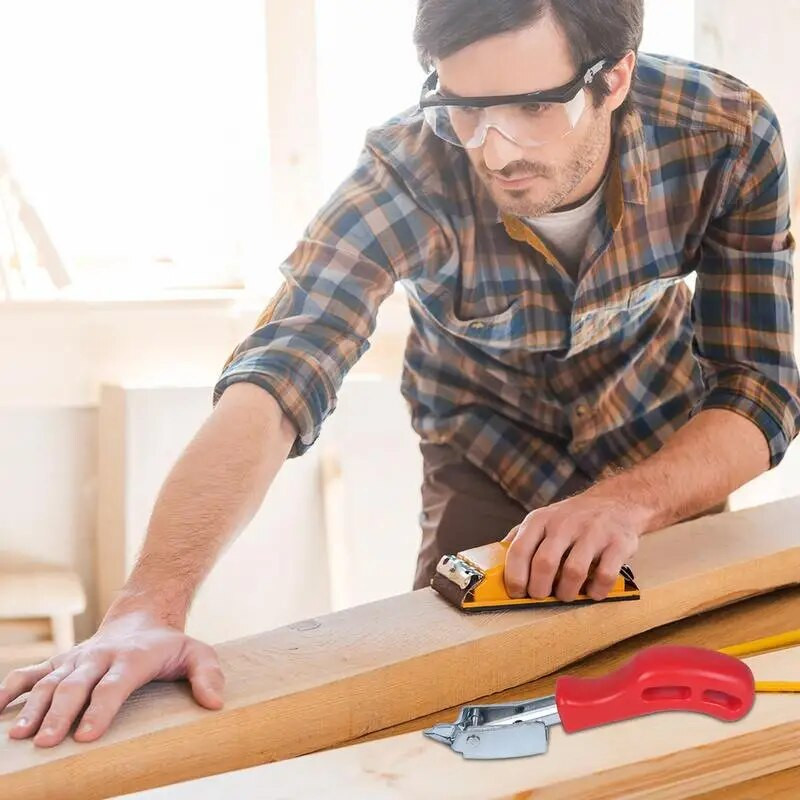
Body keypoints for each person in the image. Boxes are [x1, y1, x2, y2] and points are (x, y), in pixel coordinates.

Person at [2, 0, 798, 748]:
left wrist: (627, 501)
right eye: (464, 108)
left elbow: (758, 385)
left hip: (659, 448)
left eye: (532, 108)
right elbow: (279, 375)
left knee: (671, 712)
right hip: (482, 449)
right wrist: (147, 606)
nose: (495, 150)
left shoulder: (722, 133)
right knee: (458, 722)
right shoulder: (411, 170)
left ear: (614, 77)